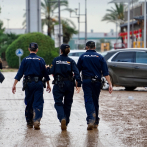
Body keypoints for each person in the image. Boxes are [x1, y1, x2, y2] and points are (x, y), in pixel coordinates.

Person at [12, 42, 51, 130]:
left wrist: (14, 84)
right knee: (38, 102)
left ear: (29, 49)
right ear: (37, 50)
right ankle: (37, 120)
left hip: (28, 84)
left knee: (29, 102)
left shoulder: (25, 60)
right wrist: (48, 85)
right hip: (38, 84)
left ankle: (29, 122)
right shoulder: (41, 60)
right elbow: (45, 74)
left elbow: (19, 73)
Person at [77, 41, 113, 130]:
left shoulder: (83, 56)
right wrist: (110, 84)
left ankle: (90, 119)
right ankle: (96, 121)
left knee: (88, 100)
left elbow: (77, 71)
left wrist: (78, 82)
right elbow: (105, 73)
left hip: (86, 81)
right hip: (97, 82)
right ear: (94, 47)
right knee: (95, 101)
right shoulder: (100, 57)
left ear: (87, 47)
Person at [46, 44, 81, 131]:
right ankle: (66, 122)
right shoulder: (71, 61)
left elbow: (50, 72)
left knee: (58, 103)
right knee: (68, 104)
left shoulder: (56, 60)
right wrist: (79, 84)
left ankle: (62, 118)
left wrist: (46, 68)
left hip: (58, 84)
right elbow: (77, 73)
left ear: (60, 51)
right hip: (69, 84)